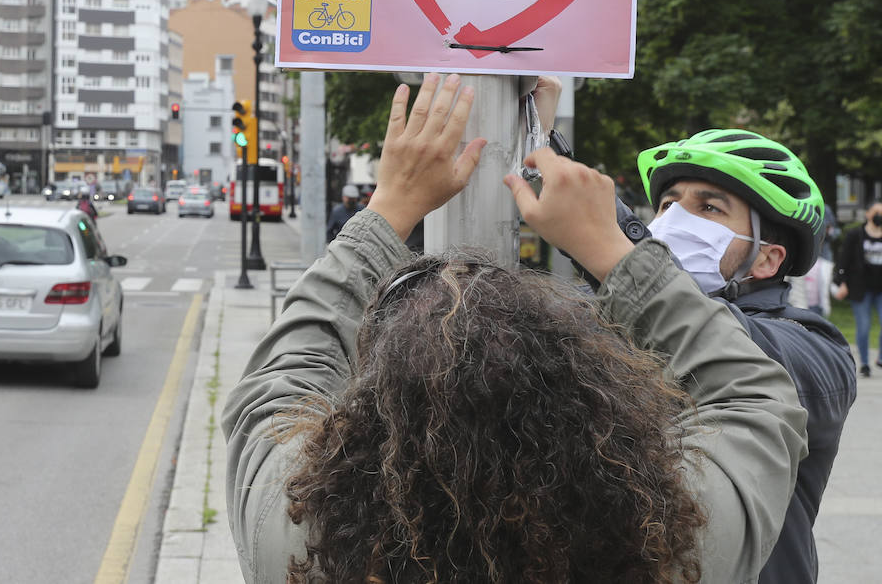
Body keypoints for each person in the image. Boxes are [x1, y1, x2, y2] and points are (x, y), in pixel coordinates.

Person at [224, 75, 807, 584]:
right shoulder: (673, 547)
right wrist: (615, 253)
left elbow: (278, 382)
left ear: (366, 417)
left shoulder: (301, 537)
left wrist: (388, 209)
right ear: (599, 413)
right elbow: (752, 396)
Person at [636, 128, 858, 583]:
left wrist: (614, 249)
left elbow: (719, 341)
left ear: (766, 260)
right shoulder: (622, 316)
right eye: (668, 203)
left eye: (709, 207)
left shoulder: (809, 344)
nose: (674, 219)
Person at [835, 201, 882, 377]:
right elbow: (843, 260)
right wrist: (842, 282)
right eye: (877, 212)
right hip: (861, 290)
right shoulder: (856, 235)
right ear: (868, 214)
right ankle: (865, 364)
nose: (880, 216)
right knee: (863, 327)